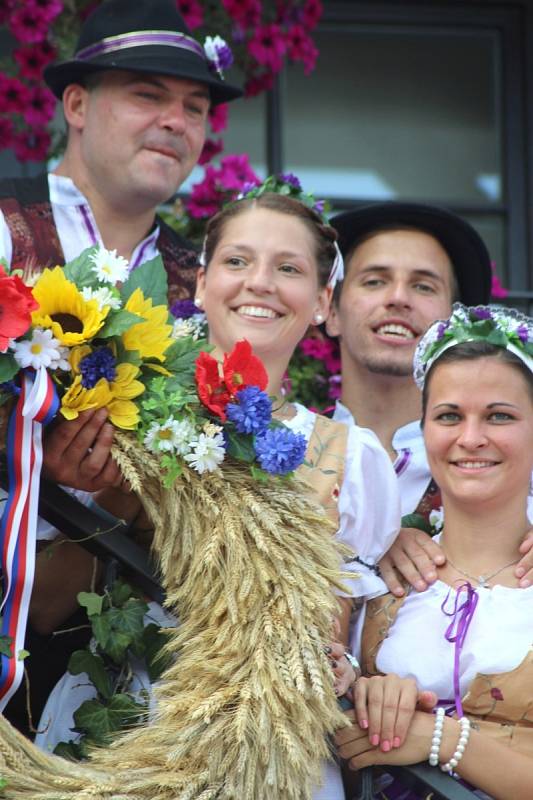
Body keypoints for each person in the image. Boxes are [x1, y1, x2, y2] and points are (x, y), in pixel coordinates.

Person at [35, 183, 401, 799]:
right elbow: (44, 609)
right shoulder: (116, 412)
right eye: (237, 261)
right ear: (201, 285)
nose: (259, 282)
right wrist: (119, 502)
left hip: (267, 752)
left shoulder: (353, 457)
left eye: (288, 268)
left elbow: (335, 637)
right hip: (120, 728)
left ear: (321, 302)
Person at [0, 0, 242, 736]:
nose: (176, 120)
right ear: (76, 103)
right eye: (147, 95)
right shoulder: (5, 225)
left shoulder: (203, 283)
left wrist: (132, 491)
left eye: (194, 108)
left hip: (112, 635)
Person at [336, 303, 533, 800]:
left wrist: (442, 738)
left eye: (500, 416)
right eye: (449, 416)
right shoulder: (378, 577)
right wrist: (368, 696)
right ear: (422, 431)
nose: (470, 438)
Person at [327, 202, 533, 594]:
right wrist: (373, 544)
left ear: (452, 322)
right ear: (330, 310)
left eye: (424, 286)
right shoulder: (287, 453)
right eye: (374, 281)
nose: (398, 298)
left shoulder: (512, 467)